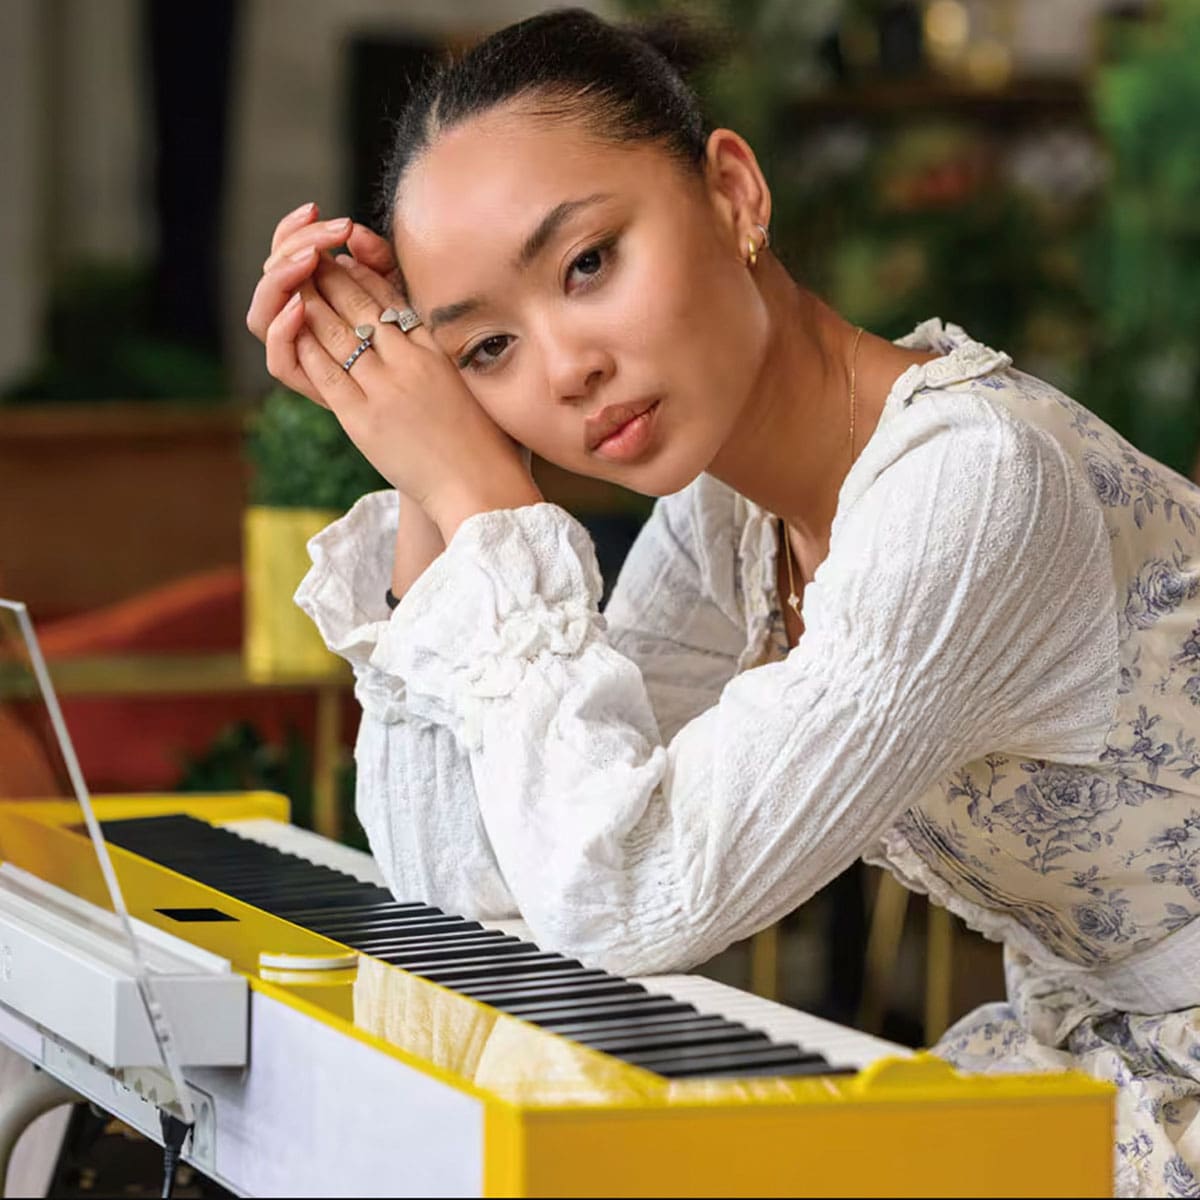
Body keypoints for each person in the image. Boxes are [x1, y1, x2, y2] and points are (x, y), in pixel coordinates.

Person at [245, 9, 1200, 1195]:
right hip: (1099, 1069)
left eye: (588, 263)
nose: (564, 368)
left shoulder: (974, 483)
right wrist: (435, 492)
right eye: (485, 351)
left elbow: (630, 900)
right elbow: (484, 895)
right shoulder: (729, 516)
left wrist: (487, 505)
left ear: (736, 194)